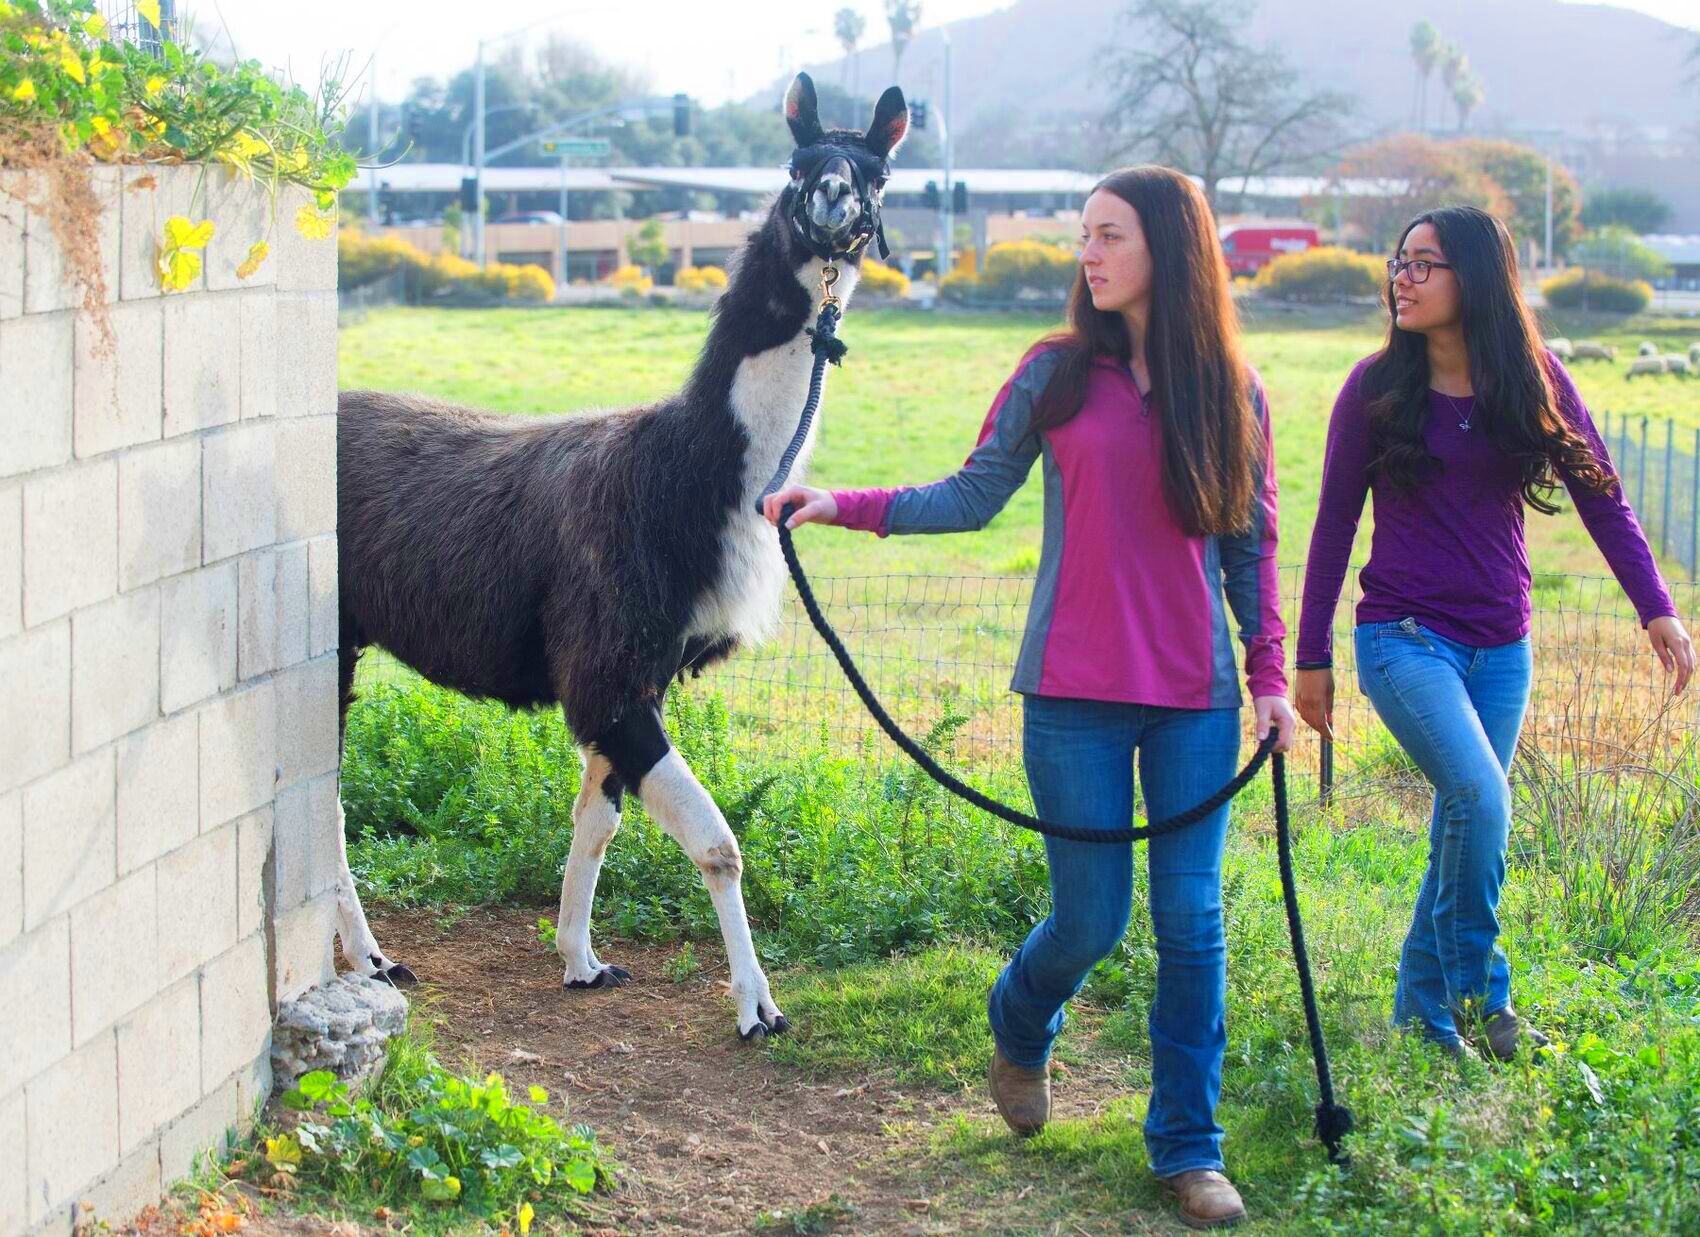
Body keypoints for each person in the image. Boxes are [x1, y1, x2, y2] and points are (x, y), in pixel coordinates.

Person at [764, 165, 1296, 1230]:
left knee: (1191, 924)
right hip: (1070, 695)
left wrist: (1269, 677)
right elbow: (970, 494)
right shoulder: (1053, 372)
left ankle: (1188, 1147)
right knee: (1090, 919)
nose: (1087, 255)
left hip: (1193, 699)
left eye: (1108, 235)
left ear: (1170, 251)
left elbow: (1250, 544)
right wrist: (841, 504)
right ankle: (1017, 1020)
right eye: (1083, 236)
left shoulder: (1231, 391)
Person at [1294, 206, 1694, 1061]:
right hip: (1402, 638)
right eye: (1399, 261)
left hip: (1503, 647)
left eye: (1424, 264)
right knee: (1480, 798)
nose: (1402, 277)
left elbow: (1600, 493)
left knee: (1459, 827)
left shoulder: (1534, 376)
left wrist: (1656, 605)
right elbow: (1332, 525)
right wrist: (1311, 657)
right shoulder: (1374, 389)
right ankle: (1485, 998)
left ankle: (1420, 1020)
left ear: (1475, 277)